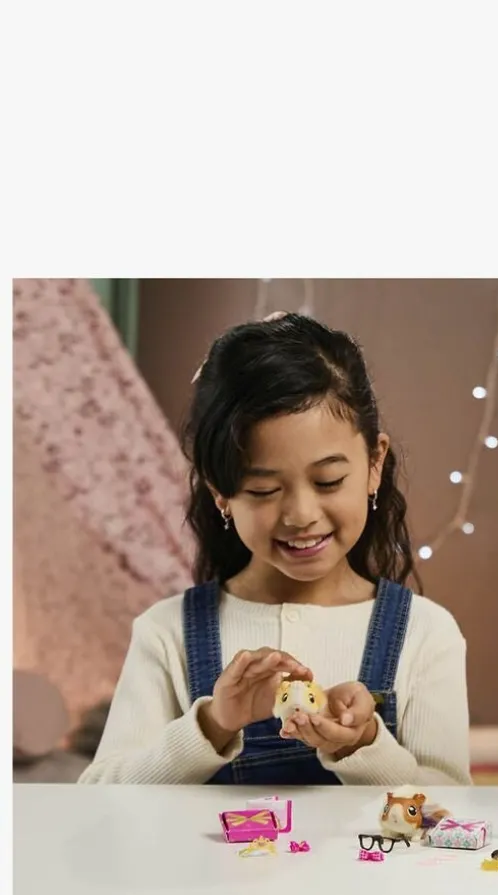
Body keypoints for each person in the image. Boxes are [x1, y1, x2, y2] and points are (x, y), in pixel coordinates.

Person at [80, 313, 471, 786]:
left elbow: (451, 809)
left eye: (328, 480)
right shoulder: (167, 633)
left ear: (374, 463)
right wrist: (212, 726)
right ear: (221, 492)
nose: (301, 514)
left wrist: (364, 745)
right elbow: (98, 799)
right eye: (263, 490)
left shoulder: (425, 633)